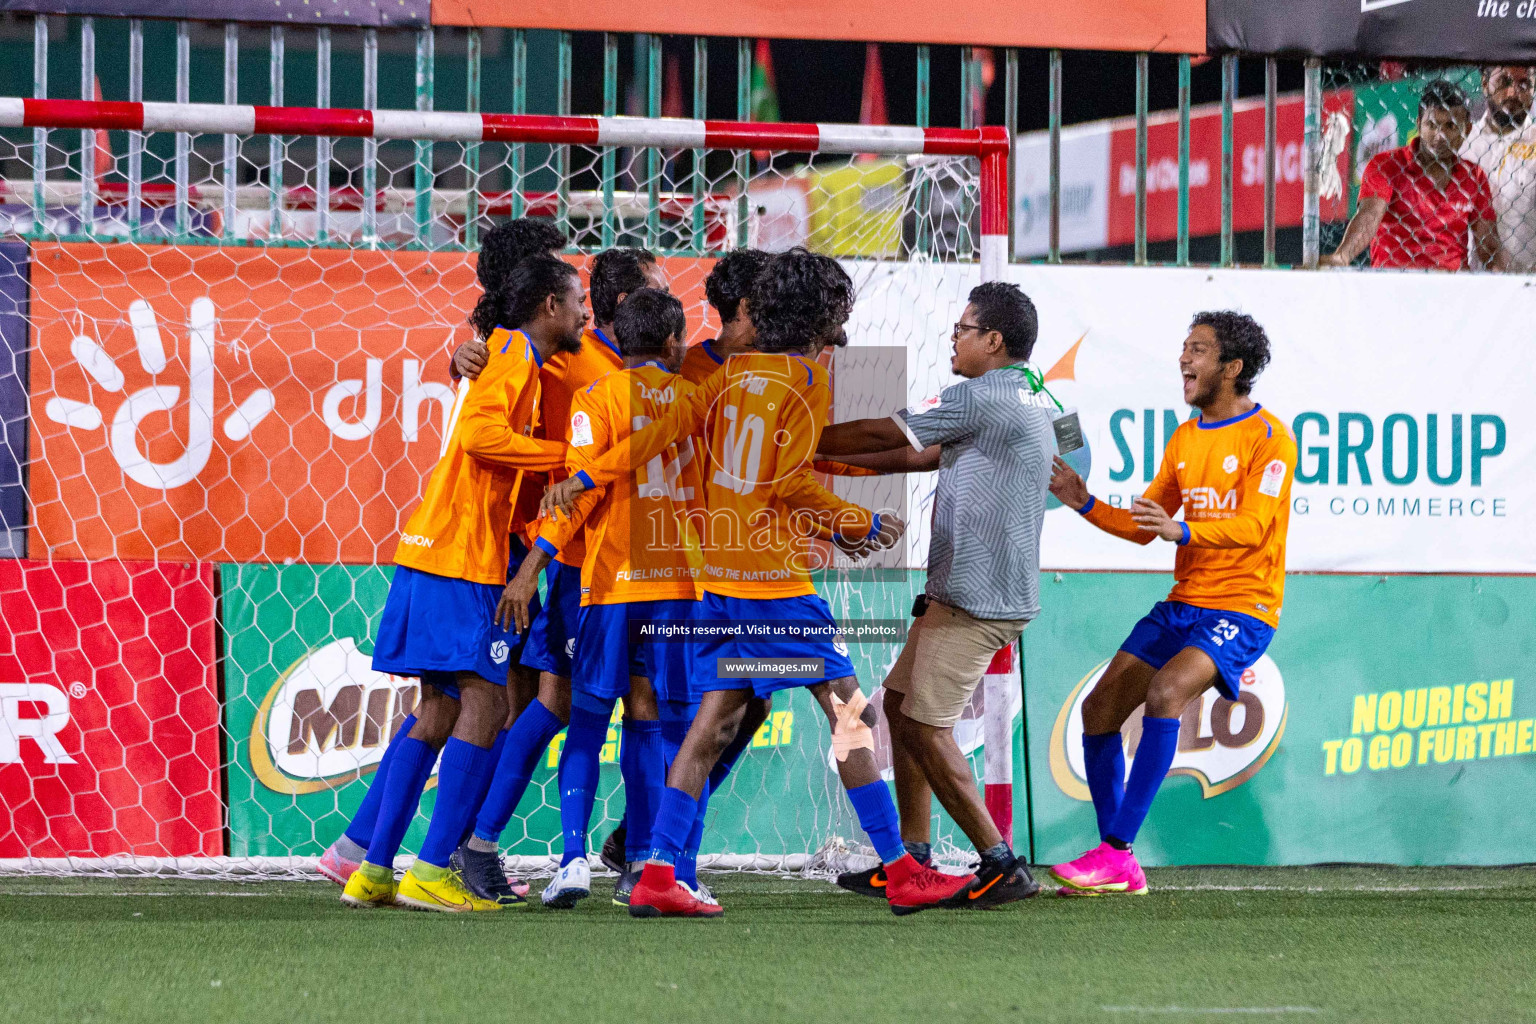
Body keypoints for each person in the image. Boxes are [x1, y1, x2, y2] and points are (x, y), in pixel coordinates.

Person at [545, 248, 972, 918]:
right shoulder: (806, 379)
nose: (844, 322)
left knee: (712, 724)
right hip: (774, 583)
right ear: (821, 312)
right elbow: (791, 482)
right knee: (849, 711)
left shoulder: (729, 375)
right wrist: (854, 520)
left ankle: (656, 870)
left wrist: (587, 476)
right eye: (840, 308)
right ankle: (900, 866)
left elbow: (660, 433)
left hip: (718, 579)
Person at [317, 217, 567, 898]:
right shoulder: (516, 351)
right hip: (486, 552)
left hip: (463, 544)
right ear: (542, 290)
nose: (579, 296)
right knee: (493, 702)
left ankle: (369, 858)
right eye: (565, 281)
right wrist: (575, 460)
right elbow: (487, 435)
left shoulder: (492, 348)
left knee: (449, 706)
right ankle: (446, 857)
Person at [815, 282, 1052, 909]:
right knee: (897, 706)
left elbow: (882, 435)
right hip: (967, 592)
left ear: (994, 342)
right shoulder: (1027, 396)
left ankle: (1001, 862)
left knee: (923, 724)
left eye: (964, 327)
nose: (955, 335)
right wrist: (827, 464)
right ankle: (912, 860)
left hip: (977, 598)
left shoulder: (981, 396)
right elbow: (916, 457)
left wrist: (798, 441)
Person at [1046, 311, 1293, 897]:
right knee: (1100, 710)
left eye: (1199, 351)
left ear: (1232, 368)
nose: (1184, 359)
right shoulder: (1185, 437)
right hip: (1185, 601)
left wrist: (1181, 533)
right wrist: (1085, 503)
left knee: (1165, 693)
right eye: (1184, 348)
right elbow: (1143, 525)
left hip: (1244, 606)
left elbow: (1257, 526)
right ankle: (1115, 861)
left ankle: (1115, 853)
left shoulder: (1270, 438)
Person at [454, 248, 671, 900]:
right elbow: (499, 357)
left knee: (586, 705)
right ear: (631, 306)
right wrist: (464, 354)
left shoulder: (646, 374)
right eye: (658, 290)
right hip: (575, 560)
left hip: (631, 569)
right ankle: (483, 843)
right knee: (559, 705)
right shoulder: (565, 355)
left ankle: (618, 854)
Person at [499, 288, 704, 909]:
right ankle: (648, 862)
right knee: (654, 720)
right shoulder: (701, 400)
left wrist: (533, 563)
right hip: (680, 587)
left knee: (586, 719)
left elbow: (575, 496)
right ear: (673, 345)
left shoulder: (597, 398)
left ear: (618, 339)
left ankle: (572, 860)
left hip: (612, 585)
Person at [1324, 80, 1506, 271]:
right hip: (1395, 282)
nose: (1440, 135)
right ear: (1419, 124)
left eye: (1450, 126)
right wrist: (1342, 256)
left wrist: (1503, 284)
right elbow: (1370, 214)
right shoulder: (1386, 165)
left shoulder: (1474, 176)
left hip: (1452, 288)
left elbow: (1489, 245)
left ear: (1466, 130)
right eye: (1432, 125)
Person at [1461, 65, 1536, 273]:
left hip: (1527, 286)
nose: (1513, 93)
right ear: (1485, 85)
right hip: (1468, 286)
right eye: (1504, 82)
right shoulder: (1462, 144)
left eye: (1524, 84)